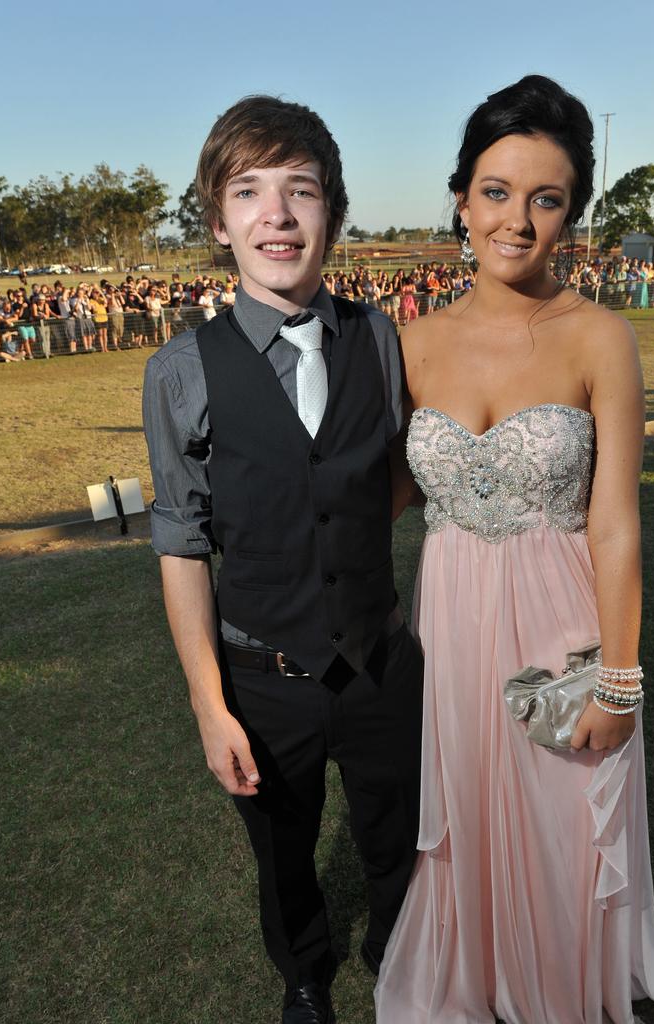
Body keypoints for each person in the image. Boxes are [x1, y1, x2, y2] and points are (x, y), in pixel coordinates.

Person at [375, 75, 654, 1024]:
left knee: (560, 823)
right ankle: (478, 971)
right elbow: (396, 487)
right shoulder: (407, 343)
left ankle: (561, 985)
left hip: (561, 614)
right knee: (471, 816)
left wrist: (620, 681)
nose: (518, 221)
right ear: (461, 198)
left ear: (572, 211)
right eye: (497, 192)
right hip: (449, 618)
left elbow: (615, 521)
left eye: (547, 199)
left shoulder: (602, 339)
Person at [142, 95, 423, 1024]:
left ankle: (398, 950)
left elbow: (393, 475)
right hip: (261, 671)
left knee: (397, 831)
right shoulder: (181, 368)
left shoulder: (380, 339)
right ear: (219, 223)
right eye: (249, 192)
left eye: (301, 191)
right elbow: (182, 540)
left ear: (332, 215)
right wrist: (207, 701)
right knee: (284, 848)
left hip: (381, 660)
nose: (278, 214)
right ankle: (304, 972)